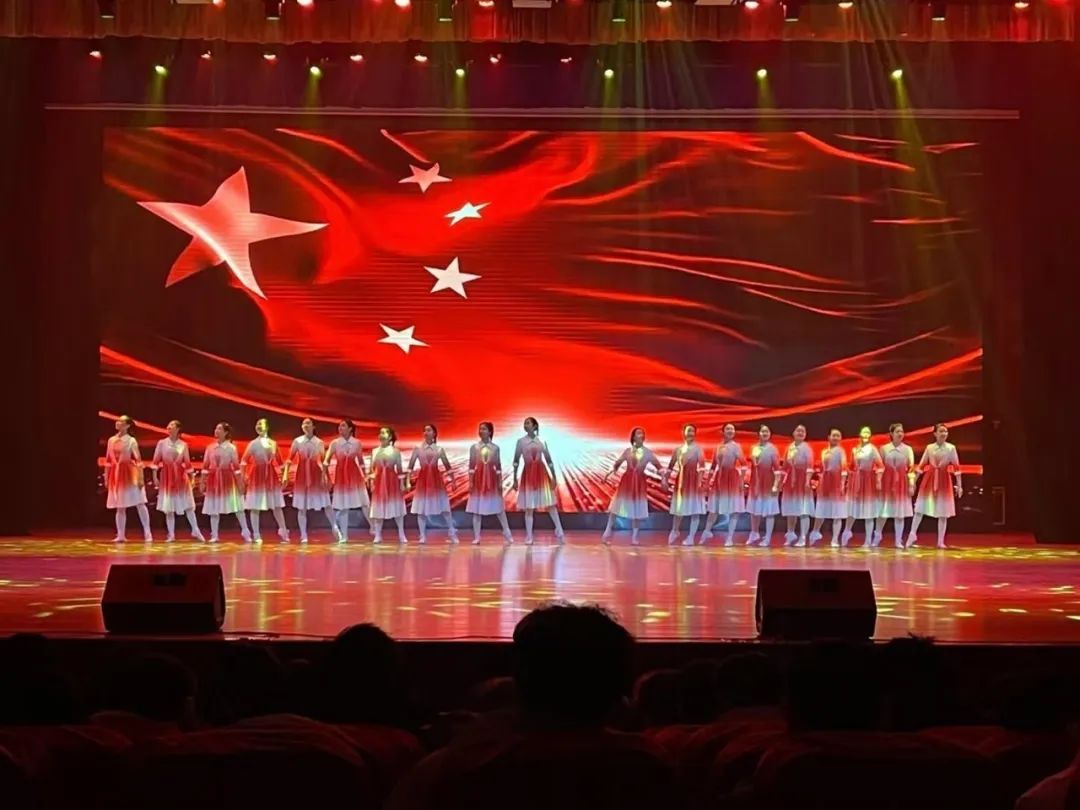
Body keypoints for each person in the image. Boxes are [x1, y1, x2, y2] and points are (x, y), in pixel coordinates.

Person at [283, 418, 339, 544]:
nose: (305, 425)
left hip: (315, 475)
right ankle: (303, 534)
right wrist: (285, 475)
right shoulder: (297, 441)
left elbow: (324, 461)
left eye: (308, 423)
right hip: (302, 476)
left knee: (326, 504)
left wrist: (327, 478)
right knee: (301, 507)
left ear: (314, 426)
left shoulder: (319, 442)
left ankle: (335, 527)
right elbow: (289, 459)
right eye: (304, 423)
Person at [602, 427, 661, 546]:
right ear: (633, 437)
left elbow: (659, 466)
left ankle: (634, 536)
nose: (641, 435)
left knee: (637, 509)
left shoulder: (648, 453)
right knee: (617, 506)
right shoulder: (628, 451)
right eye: (639, 433)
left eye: (643, 433)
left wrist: (664, 476)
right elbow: (617, 463)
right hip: (627, 482)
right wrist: (608, 474)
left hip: (639, 483)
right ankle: (608, 530)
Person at [907, 423, 962, 549]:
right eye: (941, 431)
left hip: (944, 480)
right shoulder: (930, 448)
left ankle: (940, 541)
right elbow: (921, 466)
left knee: (943, 512)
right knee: (919, 509)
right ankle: (912, 534)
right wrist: (913, 482)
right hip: (929, 479)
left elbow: (957, 468)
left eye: (945, 431)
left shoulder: (951, 448)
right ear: (935, 434)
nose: (944, 434)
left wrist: (959, 485)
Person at [512, 417, 565, 545]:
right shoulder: (521, 442)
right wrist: (514, 478)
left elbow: (549, 460)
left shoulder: (542, 441)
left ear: (535, 426)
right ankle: (529, 536)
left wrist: (553, 477)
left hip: (542, 474)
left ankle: (559, 529)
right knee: (529, 507)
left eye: (528, 423)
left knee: (550, 504)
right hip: (528, 475)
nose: (525, 425)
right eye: (524, 423)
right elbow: (516, 460)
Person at [151, 419, 203, 542]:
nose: (169, 427)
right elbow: (156, 461)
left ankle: (195, 530)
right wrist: (155, 477)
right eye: (168, 425)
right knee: (169, 507)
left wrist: (191, 478)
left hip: (181, 477)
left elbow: (187, 463)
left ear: (178, 429)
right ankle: (171, 534)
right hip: (167, 477)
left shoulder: (183, 444)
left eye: (172, 425)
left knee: (188, 506)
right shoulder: (162, 443)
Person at [105, 415, 153, 543]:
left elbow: (138, 460)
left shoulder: (131, 440)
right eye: (118, 420)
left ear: (127, 425)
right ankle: (121, 535)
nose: (117, 422)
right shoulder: (111, 440)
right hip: (116, 475)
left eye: (121, 421)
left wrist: (141, 477)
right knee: (120, 506)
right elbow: (108, 461)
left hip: (130, 474)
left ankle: (147, 532)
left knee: (140, 503)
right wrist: (106, 477)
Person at [201, 422, 252, 543]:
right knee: (213, 508)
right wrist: (203, 481)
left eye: (219, 429)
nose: (216, 431)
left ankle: (245, 532)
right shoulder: (210, 448)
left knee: (237, 507)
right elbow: (205, 466)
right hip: (214, 479)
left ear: (226, 433)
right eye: (216, 428)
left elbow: (236, 468)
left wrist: (240, 483)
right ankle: (214, 535)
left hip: (228, 480)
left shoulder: (231, 448)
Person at [408, 423, 459, 544]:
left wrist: (453, 481)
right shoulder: (417, 449)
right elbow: (410, 466)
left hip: (436, 481)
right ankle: (422, 535)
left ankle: (452, 532)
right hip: (423, 481)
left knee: (444, 507)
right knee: (421, 509)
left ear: (434, 434)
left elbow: (447, 466)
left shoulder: (439, 449)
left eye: (429, 430)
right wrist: (406, 482)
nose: (426, 433)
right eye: (424, 431)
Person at [241, 418, 290, 543]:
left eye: (261, 424)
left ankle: (283, 530)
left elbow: (280, 463)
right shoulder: (253, 444)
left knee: (276, 505)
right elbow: (244, 461)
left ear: (267, 427)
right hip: (256, 476)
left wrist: (285, 476)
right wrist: (243, 476)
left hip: (271, 477)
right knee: (255, 506)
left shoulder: (273, 443)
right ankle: (256, 534)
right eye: (257, 424)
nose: (258, 426)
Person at [466, 421, 513, 545]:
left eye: (484, 429)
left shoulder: (495, 448)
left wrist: (499, 482)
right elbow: (471, 466)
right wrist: (471, 482)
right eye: (480, 429)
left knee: (499, 508)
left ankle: (507, 532)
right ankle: (477, 537)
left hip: (491, 479)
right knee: (477, 509)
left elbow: (498, 467)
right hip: (478, 480)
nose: (481, 431)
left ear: (490, 432)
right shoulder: (474, 447)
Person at [325, 418, 371, 543]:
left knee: (364, 503)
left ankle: (374, 527)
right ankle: (344, 536)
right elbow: (326, 460)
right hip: (341, 477)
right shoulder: (335, 443)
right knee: (343, 507)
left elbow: (361, 461)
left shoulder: (356, 443)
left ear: (350, 429)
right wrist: (326, 475)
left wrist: (365, 476)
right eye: (339, 426)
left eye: (343, 426)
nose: (340, 428)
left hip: (355, 477)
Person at [701, 423, 745, 546]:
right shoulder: (718, 446)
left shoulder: (736, 447)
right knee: (714, 508)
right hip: (719, 479)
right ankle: (706, 531)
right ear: (723, 432)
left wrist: (741, 480)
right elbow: (713, 466)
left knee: (734, 509)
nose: (730, 431)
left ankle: (729, 538)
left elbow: (744, 464)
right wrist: (707, 481)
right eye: (728, 429)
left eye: (732, 429)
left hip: (732, 479)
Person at [662, 424, 706, 546]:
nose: (690, 433)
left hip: (693, 481)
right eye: (688, 431)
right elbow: (670, 467)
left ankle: (691, 536)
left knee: (695, 510)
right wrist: (665, 480)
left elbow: (702, 467)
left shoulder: (698, 449)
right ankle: (675, 530)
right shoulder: (678, 450)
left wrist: (699, 482)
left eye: (692, 431)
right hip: (681, 481)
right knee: (678, 508)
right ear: (684, 433)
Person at [877, 422, 916, 549]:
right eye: (897, 431)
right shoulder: (884, 449)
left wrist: (911, 484)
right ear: (891, 434)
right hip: (886, 483)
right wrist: (878, 482)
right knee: (883, 511)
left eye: (902, 431)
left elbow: (911, 469)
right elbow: (879, 467)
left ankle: (898, 541)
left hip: (901, 483)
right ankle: (877, 536)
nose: (900, 434)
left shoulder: (908, 449)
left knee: (900, 513)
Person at [843, 425, 883, 548]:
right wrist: (849, 473)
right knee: (851, 509)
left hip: (868, 480)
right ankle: (846, 533)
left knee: (868, 511)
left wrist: (878, 480)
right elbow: (851, 465)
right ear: (860, 434)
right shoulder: (855, 449)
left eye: (868, 433)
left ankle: (868, 540)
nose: (866, 435)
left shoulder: (872, 449)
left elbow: (881, 466)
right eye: (864, 432)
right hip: (856, 481)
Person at [810, 428, 848, 546]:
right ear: (829, 437)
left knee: (837, 512)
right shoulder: (824, 452)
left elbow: (844, 468)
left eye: (838, 436)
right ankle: (815, 532)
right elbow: (821, 468)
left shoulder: (840, 451)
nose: (836, 438)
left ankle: (835, 539)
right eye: (834, 435)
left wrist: (842, 484)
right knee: (821, 510)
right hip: (825, 482)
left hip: (836, 482)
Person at [370, 425, 408, 544]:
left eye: (384, 433)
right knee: (378, 508)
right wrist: (371, 482)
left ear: (390, 436)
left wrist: (402, 484)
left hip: (392, 481)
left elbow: (399, 469)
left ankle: (401, 533)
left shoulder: (395, 451)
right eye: (380, 433)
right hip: (379, 481)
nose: (381, 435)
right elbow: (372, 469)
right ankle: (378, 534)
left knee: (396, 507)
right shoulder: (375, 451)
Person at [746, 425, 782, 546]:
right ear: (758, 433)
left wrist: (775, 485)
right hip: (755, 483)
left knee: (769, 511)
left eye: (767, 431)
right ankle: (754, 533)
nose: (765, 433)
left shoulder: (773, 449)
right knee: (754, 510)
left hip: (768, 484)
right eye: (763, 431)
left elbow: (777, 469)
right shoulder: (754, 448)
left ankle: (767, 537)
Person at [780, 424, 815, 546]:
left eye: (803, 431)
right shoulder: (789, 448)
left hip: (803, 481)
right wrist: (780, 482)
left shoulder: (807, 448)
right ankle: (790, 534)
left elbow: (810, 466)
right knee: (791, 509)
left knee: (803, 510)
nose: (800, 433)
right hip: (790, 482)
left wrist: (807, 481)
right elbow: (785, 466)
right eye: (798, 431)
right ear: (793, 433)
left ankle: (803, 537)